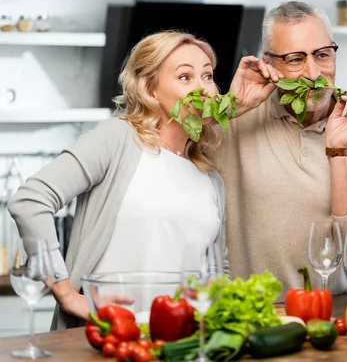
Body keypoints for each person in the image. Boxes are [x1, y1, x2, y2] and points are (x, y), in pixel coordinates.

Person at [7, 30, 280, 330]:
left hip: (182, 341)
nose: (203, 88)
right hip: (109, 337)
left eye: (207, 76)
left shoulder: (209, 176)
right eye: (185, 77)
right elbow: (30, 200)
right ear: (151, 91)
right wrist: (67, 294)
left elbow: (218, 269)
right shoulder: (118, 139)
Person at [215, 1, 347, 297]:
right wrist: (231, 109)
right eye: (295, 59)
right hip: (254, 314)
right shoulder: (235, 122)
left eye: (323, 55)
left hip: (335, 314)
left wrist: (338, 151)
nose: (314, 73)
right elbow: (169, 162)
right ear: (268, 64)